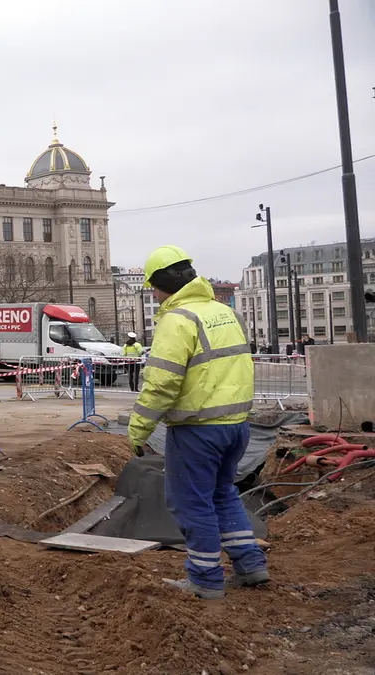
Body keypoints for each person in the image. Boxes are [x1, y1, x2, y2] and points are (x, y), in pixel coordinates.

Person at [127, 245, 266, 600]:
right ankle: (250, 564)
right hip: (236, 425)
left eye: (153, 288)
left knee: (192, 503)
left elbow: (162, 382)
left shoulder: (178, 319)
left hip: (198, 429)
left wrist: (139, 429)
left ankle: (205, 580)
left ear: (161, 284)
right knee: (222, 493)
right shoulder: (224, 312)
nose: (154, 296)